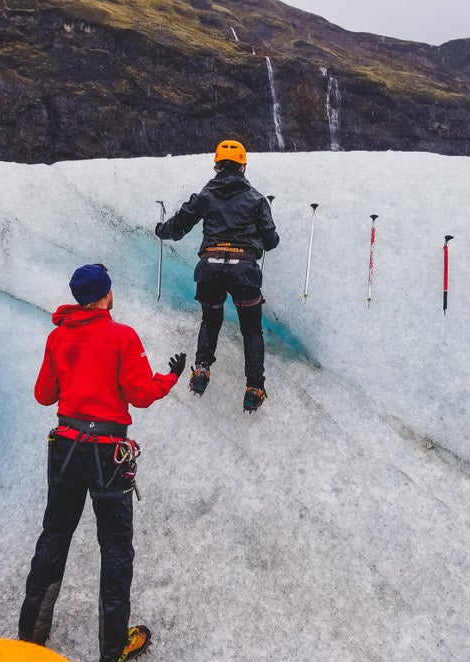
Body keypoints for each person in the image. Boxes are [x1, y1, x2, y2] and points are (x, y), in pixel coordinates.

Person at [18, 263, 185, 662]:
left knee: (54, 537)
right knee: (115, 550)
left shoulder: (58, 337)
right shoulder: (121, 336)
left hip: (67, 447)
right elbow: (141, 394)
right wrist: (171, 377)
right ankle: (112, 651)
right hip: (108, 453)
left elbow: (44, 396)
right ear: (106, 294)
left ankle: (29, 639)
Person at [154, 139, 280, 412]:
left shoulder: (206, 195)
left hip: (209, 266)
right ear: (242, 166)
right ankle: (254, 387)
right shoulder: (257, 199)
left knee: (211, 320)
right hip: (243, 270)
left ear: (217, 165)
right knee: (251, 330)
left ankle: (201, 370)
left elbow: (180, 225)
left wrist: (161, 230)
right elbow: (271, 240)